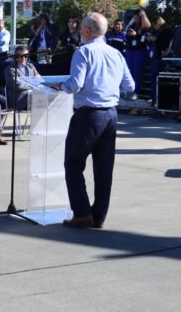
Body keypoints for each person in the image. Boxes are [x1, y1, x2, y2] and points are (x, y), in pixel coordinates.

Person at [57, 12, 134, 229]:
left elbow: (75, 84)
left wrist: (59, 87)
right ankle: (98, 215)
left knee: (73, 164)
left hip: (89, 114)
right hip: (111, 114)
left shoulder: (83, 52)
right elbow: (130, 86)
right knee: (103, 168)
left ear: (88, 31)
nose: (80, 32)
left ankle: (82, 213)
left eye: (81, 29)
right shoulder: (116, 54)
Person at [4, 45, 41, 110]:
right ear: (16, 57)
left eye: (26, 56)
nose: (24, 58)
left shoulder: (30, 66)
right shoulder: (10, 69)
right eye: (21, 56)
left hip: (31, 95)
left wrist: (35, 82)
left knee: (44, 96)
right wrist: (33, 84)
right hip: (18, 100)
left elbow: (39, 78)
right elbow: (18, 86)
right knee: (38, 97)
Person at [147, 15, 174, 104]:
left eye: (154, 25)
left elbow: (166, 44)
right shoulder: (159, 31)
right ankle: (154, 97)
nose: (154, 27)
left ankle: (157, 99)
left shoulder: (167, 30)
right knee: (154, 78)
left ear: (157, 23)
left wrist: (155, 39)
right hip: (156, 57)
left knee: (158, 78)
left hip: (162, 57)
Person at [124, 9, 152, 93]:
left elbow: (146, 40)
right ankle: (128, 91)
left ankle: (136, 91)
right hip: (130, 51)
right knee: (129, 71)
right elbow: (127, 38)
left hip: (139, 51)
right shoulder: (132, 25)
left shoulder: (147, 27)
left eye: (137, 18)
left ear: (141, 18)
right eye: (134, 18)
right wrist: (129, 35)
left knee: (137, 72)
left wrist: (137, 35)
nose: (135, 20)